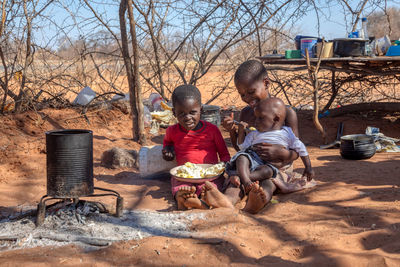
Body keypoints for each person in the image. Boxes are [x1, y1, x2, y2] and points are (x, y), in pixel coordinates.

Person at [222, 60, 316, 214]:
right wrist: (232, 131)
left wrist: (282, 154)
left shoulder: (287, 113)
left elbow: (296, 150)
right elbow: (240, 147)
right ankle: (226, 201)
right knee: (236, 181)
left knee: (268, 183)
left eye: (251, 92)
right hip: (250, 167)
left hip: (278, 168)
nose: (246, 98)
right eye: (242, 94)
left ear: (266, 83)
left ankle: (258, 201)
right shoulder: (246, 113)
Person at [225, 97, 315, 204]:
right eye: (256, 117)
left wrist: (308, 167)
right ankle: (246, 182)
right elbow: (242, 147)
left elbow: (300, 148)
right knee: (242, 158)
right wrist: (240, 131)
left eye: (260, 118)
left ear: (276, 119)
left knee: (268, 172)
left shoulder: (287, 133)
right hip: (253, 160)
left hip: (268, 166)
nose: (256, 121)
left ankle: (241, 176)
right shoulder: (255, 133)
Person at [162, 84, 233, 210]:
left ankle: (199, 199)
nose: (187, 117)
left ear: (201, 110)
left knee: (211, 186)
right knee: (179, 185)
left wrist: (224, 167)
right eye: (181, 113)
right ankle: (182, 198)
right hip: (184, 175)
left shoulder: (212, 130)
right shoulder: (171, 131)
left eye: (192, 112)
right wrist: (167, 151)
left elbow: (224, 154)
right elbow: (167, 144)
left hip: (210, 175)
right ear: (174, 112)